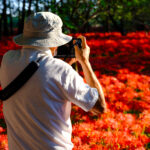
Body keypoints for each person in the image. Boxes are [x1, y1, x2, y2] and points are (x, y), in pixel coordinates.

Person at [0, 12, 106, 150]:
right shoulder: (62, 71)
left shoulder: (7, 60)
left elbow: (41, 78)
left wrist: (63, 65)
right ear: (54, 41)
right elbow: (99, 107)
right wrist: (85, 62)